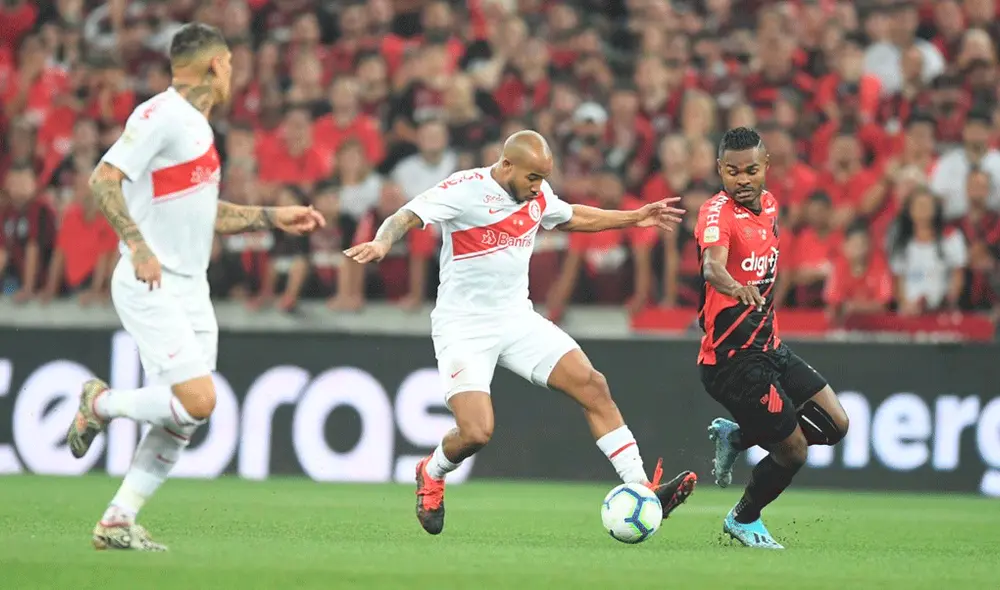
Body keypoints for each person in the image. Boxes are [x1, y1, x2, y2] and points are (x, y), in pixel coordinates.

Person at [345, 130, 697, 536]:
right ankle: (431, 470)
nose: (538, 187)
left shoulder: (537, 192)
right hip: (464, 327)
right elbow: (405, 215)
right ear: (507, 164)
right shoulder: (464, 189)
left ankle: (642, 489)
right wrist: (382, 241)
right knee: (477, 432)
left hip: (516, 318)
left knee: (592, 384)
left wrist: (635, 217)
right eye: (532, 177)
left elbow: (571, 216)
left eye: (543, 178)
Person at [64, 23, 326, 552]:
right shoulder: (160, 115)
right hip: (149, 280)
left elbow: (208, 215)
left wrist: (274, 217)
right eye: (229, 66)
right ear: (215, 66)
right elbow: (103, 178)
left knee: (183, 418)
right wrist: (137, 246)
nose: (233, 75)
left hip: (191, 287)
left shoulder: (201, 131)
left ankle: (118, 519)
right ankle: (102, 404)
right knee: (198, 400)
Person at [696, 127, 850, 549]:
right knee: (794, 452)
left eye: (750, 170)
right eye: (732, 171)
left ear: (766, 167)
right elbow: (712, 266)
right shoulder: (716, 213)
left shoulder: (770, 205)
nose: (741, 179)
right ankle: (744, 519)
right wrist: (734, 287)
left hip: (770, 346)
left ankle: (738, 436)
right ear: (719, 171)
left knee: (837, 424)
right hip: (731, 360)